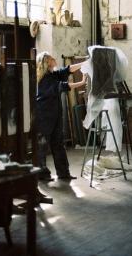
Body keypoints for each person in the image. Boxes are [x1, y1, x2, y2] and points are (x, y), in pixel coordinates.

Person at [36, 51, 87, 181]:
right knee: (42, 145)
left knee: (58, 143)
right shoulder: (44, 79)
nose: (55, 59)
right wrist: (81, 83)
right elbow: (62, 86)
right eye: (52, 58)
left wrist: (85, 63)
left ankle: (63, 173)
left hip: (55, 115)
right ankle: (41, 174)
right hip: (44, 116)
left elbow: (67, 70)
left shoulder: (52, 75)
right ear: (47, 62)